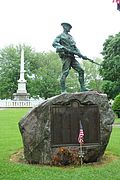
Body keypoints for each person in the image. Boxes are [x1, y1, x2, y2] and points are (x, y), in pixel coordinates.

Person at [52, 22, 89, 93]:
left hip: (72, 56)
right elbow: (54, 43)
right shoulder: (60, 36)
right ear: (64, 27)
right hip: (66, 56)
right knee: (65, 72)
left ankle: (83, 88)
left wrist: (81, 55)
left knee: (81, 70)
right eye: (68, 27)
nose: (70, 29)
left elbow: (75, 47)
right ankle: (63, 91)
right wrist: (62, 47)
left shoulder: (71, 37)